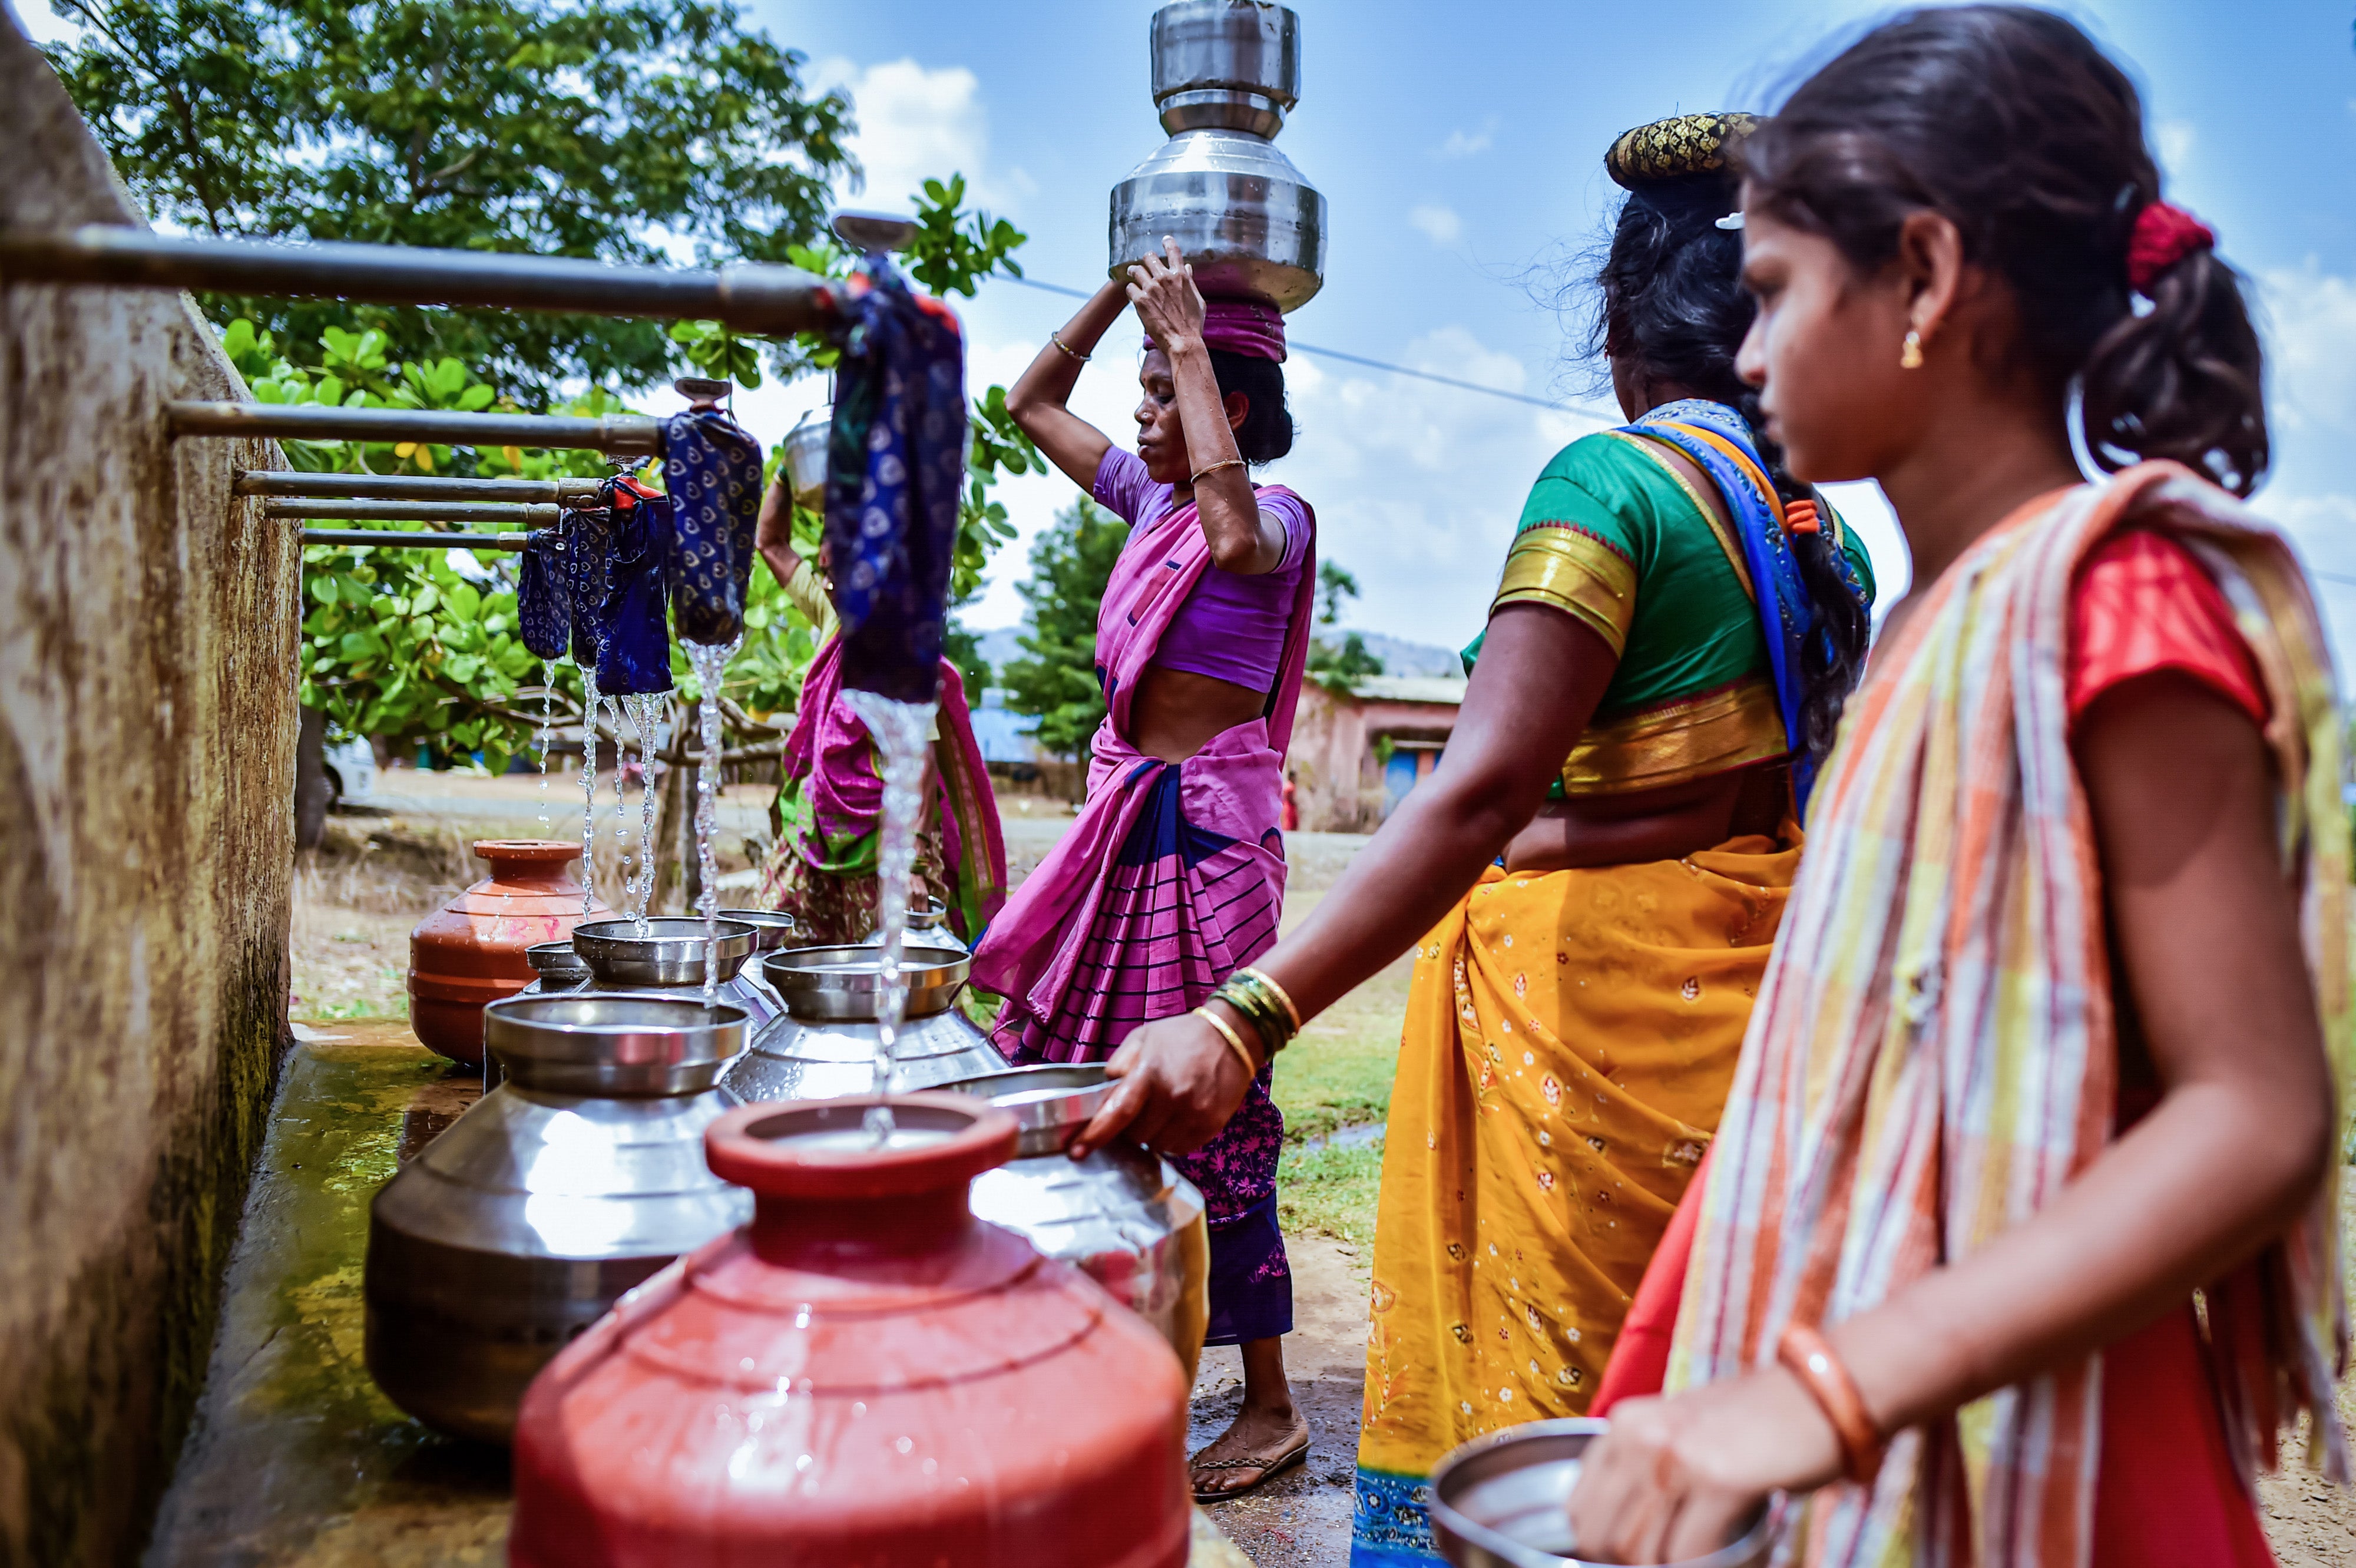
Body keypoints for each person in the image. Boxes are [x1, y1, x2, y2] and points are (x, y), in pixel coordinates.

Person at [1558, 10, 2350, 1565]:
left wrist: (1829, 1388)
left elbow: (2257, 1113)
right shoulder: (1925, 611)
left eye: (1778, 292)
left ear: (1920, 277)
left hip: (2024, 1430)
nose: (1754, 347)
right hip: (1861, 1362)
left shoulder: (2112, 611)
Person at [1063, 118, 1877, 1565]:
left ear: (1623, 319)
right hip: (1756, 1015)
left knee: (1561, 1411)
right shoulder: (1821, 531)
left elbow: (1478, 788)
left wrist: (1249, 1014)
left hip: (1584, 1023)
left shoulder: (1610, 488)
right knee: (1699, 1389)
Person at [973, 239, 1319, 1499]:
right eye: (1146, 386)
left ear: (1227, 403)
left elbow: (1233, 543)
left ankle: (1269, 1402)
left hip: (1210, 857)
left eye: (1166, 389)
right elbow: (1025, 404)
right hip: (1120, 830)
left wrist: (1188, 335)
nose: (1141, 408)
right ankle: (1081, 1331)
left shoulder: (1273, 517)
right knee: (1054, 1073)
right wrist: (1124, 294)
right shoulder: (1148, 502)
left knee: (1212, 1108)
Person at [751, 480, 1007, 946]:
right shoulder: (835, 617)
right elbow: (770, 543)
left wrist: (909, 863)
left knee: (888, 975)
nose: (823, 574)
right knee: (774, 949)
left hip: (883, 838)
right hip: (812, 831)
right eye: (822, 564)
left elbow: (922, 765)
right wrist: (788, 476)